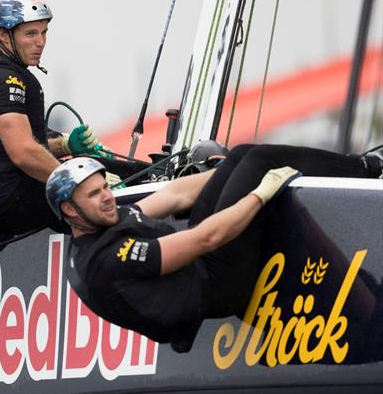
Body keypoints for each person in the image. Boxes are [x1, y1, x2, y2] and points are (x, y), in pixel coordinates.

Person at [46, 145, 382, 352]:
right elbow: (206, 239)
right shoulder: (105, 259)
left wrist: (232, 175)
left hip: (202, 266)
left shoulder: (102, 218)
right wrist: (259, 193)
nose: (107, 196)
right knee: (263, 160)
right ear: (70, 211)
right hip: (218, 286)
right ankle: (369, 168)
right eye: (94, 195)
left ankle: (254, 168)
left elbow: (175, 195)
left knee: (242, 156)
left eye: (105, 187)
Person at [0, 0, 109, 236]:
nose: (40, 42)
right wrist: (76, 184)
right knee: (111, 190)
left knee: (104, 168)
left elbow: (2, 147)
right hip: (8, 205)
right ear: (3, 35)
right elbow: (23, 152)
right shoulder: (7, 79)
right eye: (30, 33)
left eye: (43, 33)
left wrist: (66, 145)